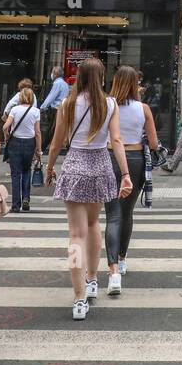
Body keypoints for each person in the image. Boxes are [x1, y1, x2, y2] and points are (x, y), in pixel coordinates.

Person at [46, 57, 131, 320]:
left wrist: (49, 167)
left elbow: (56, 142)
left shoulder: (67, 104)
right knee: (94, 225)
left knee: (75, 235)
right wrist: (125, 173)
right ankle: (93, 279)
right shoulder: (110, 103)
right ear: (102, 77)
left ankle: (79, 296)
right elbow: (116, 139)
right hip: (100, 166)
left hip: (75, 165)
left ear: (78, 77)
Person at [103, 65, 163, 296]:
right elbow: (155, 144)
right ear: (135, 84)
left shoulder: (107, 105)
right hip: (136, 159)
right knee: (127, 213)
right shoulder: (144, 108)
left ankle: (113, 270)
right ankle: (123, 258)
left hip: (110, 157)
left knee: (112, 215)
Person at [1, 78, 41, 212]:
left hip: (15, 143)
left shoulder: (15, 110)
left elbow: (5, 126)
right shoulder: (35, 112)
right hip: (30, 142)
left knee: (15, 174)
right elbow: (38, 132)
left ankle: (15, 204)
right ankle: (26, 199)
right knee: (26, 171)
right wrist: (38, 149)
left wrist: (7, 135)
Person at [39, 64, 67, 147]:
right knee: (55, 129)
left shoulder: (57, 83)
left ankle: (42, 148)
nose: (51, 74)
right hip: (62, 109)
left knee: (50, 130)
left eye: (52, 72)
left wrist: (42, 107)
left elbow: (51, 96)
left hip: (56, 109)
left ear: (55, 74)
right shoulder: (65, 84)